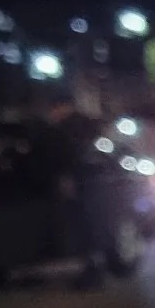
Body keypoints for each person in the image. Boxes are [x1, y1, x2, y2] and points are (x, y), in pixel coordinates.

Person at [44, 96, 108, 288]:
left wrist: (67, 179)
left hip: (81, 184)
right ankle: (93, 271)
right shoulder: (86, 126)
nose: (52, 115)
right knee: (89, 228)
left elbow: (67, 156)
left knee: (84, 229)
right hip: (91, 184)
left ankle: (92, 273)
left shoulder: (68, 128)